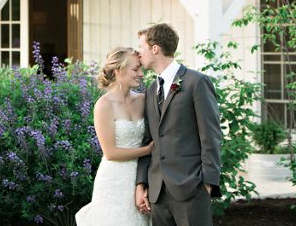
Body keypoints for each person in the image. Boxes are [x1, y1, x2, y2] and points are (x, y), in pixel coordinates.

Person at [135, 23, 222, 226]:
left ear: (154, 48)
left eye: (141, 48)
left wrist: (207, 183)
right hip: (157, 192)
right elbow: (148, 140)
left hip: (191, 188)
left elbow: (211, 135)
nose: (139, 54)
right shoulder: (150, 90)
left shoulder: (196, 82)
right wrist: (142, 184)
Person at [76, 47, 153, 226]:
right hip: (114, 181)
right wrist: (148, 150)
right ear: (118, 71)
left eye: (140, 68)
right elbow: (111, 153)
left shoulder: (143, 100)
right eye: (135, 69)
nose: (141, 74)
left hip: (141, 175)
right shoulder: (104, 105)